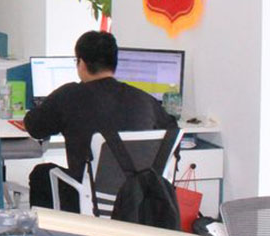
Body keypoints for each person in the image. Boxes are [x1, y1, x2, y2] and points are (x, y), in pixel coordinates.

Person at [24, 31, 177, 212]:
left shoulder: (69, 96)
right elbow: (172, 130)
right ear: (114, 63)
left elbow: (34, 127)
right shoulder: (143, 99)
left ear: (81, 63)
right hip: (136, 200)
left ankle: (48, 229)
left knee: (41, 174)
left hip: (88, 198)